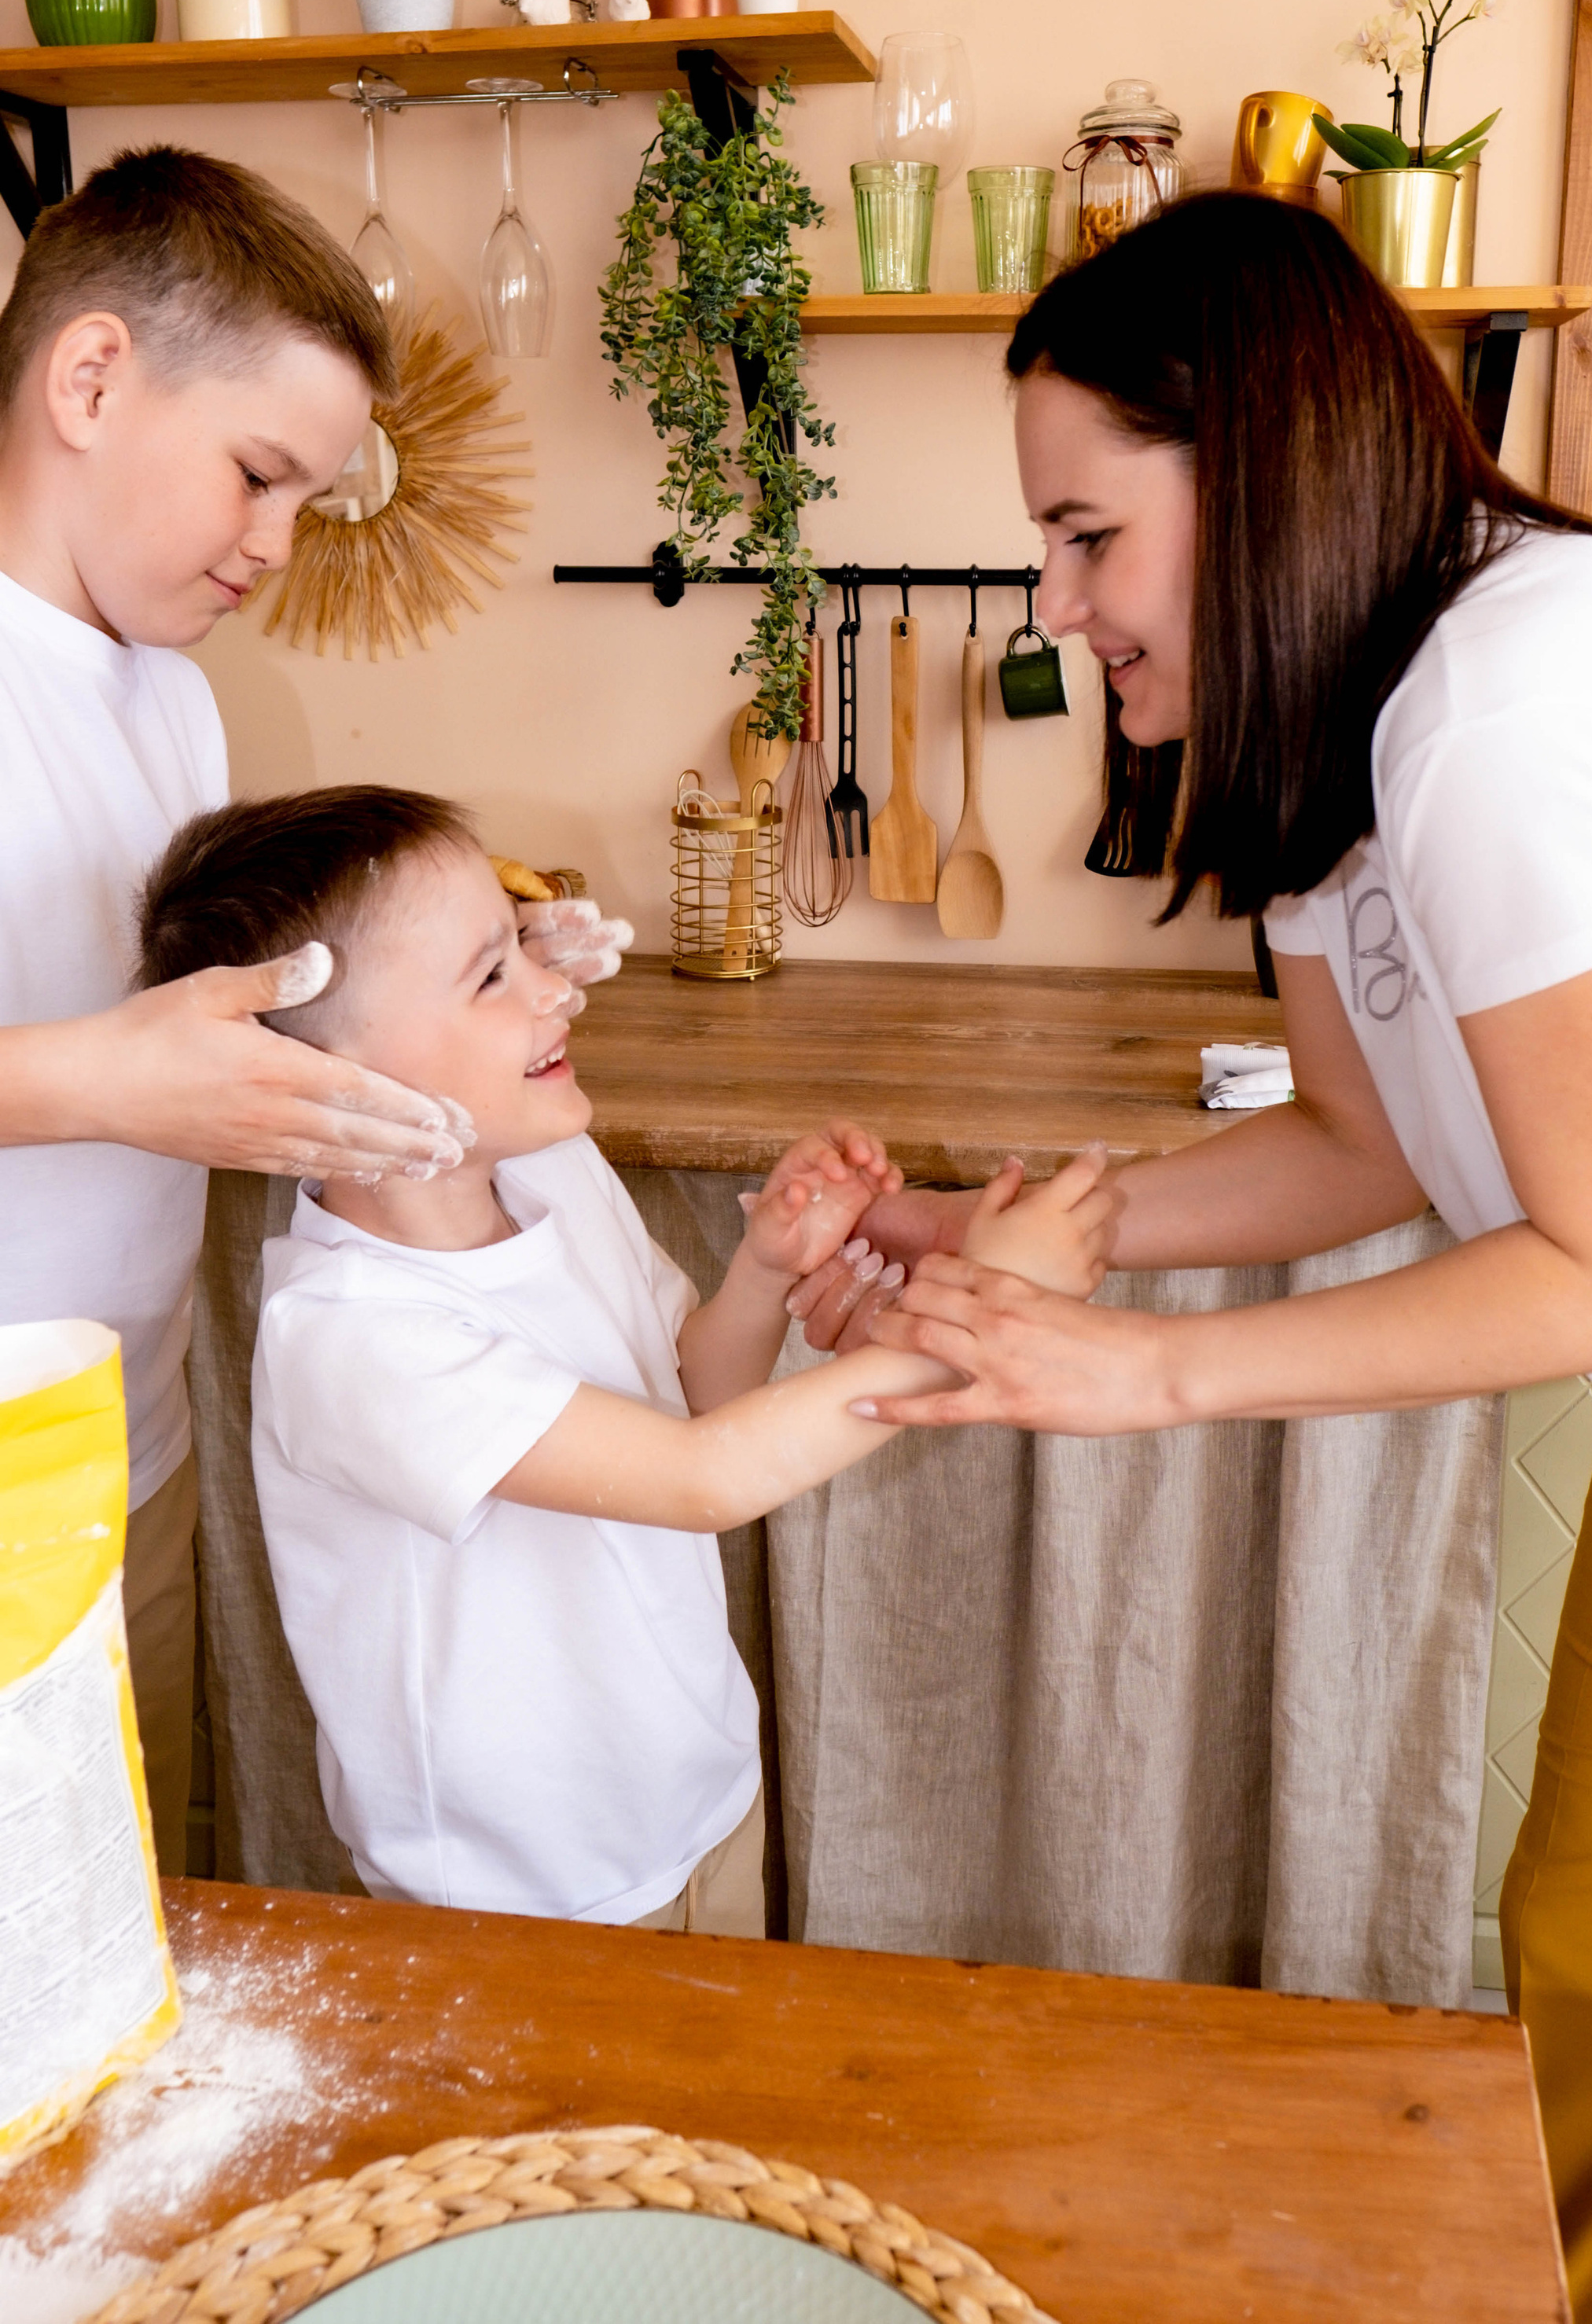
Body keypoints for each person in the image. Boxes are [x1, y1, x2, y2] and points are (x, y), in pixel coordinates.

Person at [829, 191, 1592, 2324]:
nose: (1056, 598)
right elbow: (1363, 1140)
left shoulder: (1517, 709)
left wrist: (1150, 1371)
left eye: (1088, 533)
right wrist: (1014, 1238)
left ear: (1259, 461)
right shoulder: (1348, 736)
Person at [134, 785, 1113, 1928]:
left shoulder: (551, 1171)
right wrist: (983, 1316)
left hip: (696, 1804)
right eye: (490, 975)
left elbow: (692, 1403)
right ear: (311, 1085)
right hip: (525, 1894)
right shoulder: (352, 1338)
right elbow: (704, 1484)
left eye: (521, 949)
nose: (555, 987)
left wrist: (762, 1269)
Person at [0, 147, 627, 1872]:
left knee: (129, 1951)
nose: (277, 547)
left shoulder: (171, 708)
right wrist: (94, 1081)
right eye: (259, 476)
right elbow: (113, 1067)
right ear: (92, 377)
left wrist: (485, 972)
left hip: (125, 1449)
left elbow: (247, 1015)